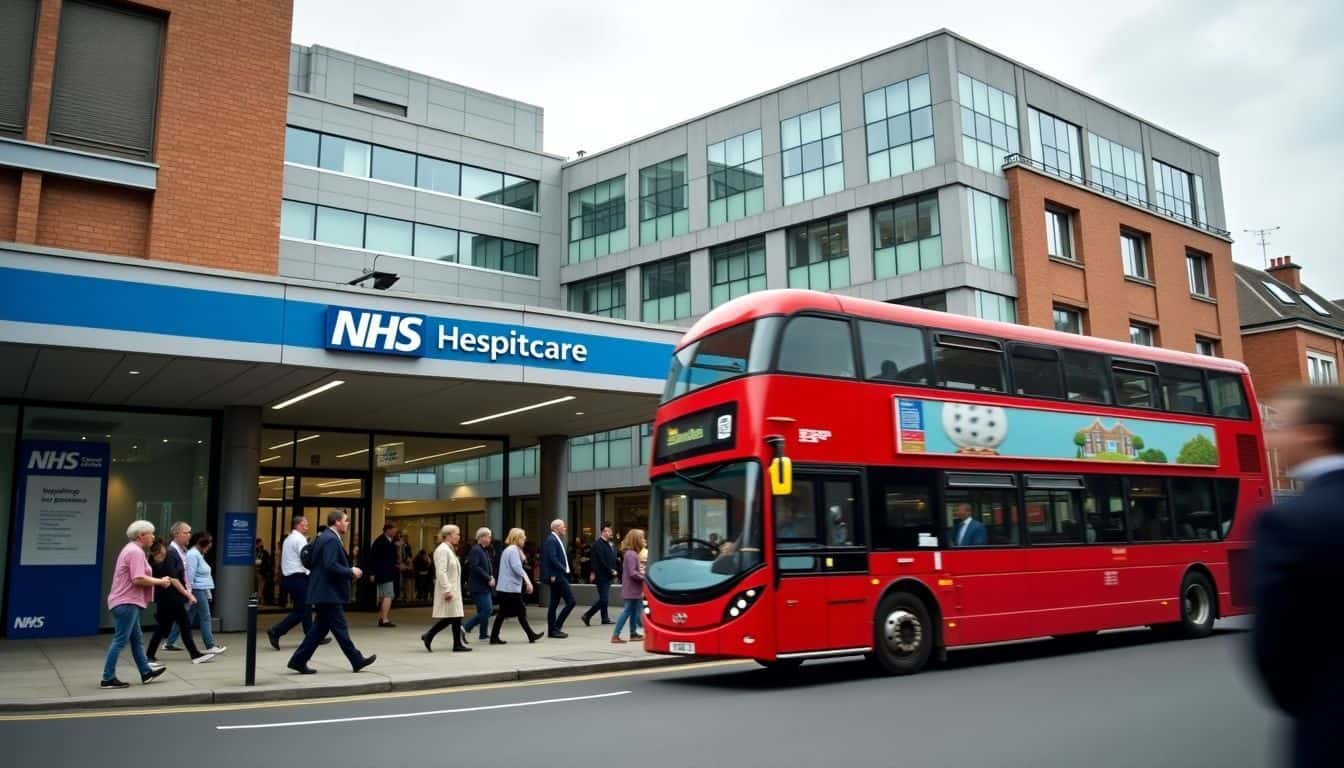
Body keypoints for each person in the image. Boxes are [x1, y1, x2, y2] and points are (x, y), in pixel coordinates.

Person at [1252, 385, 1344, 767]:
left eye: (1283, 426)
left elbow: (1275, 647)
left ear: (1315, 433)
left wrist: (1312, 702)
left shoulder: (1289, 521)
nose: (1272, 439)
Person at [288, 510, 376, 674]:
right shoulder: (330, 540)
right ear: (337, 522)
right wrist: (351, 572)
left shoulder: (326, 537)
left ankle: (298, 661)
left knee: (319, 630)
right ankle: (356, 660)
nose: (348, 523)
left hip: (324, 592)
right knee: (340, 628)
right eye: (346, 520)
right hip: (328, 593)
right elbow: (330, 565)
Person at [101, 520, 171, 688]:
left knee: (137, 639)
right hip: (127, 602)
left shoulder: (131, 550)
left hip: (125, 602)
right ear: (141, 536)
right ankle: (107, 678)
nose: (153, 537)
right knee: (120, 640)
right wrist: (160, 581)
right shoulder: (135, 552)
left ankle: (146, 672)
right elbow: (138, 578)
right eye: (151, 534)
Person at [145, 529, 216, 665]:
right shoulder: (170, 554)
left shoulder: (157, 558)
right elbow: (174, 579)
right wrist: (188, 594)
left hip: (164, 597)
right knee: (183, 624)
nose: (189, 535)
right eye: (186, 532)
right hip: (172, 597)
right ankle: (194, 655)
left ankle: (150, 655)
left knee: (166, 626)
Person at [267, 515, 329, 650]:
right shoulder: (300, 539)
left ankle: (312, 636)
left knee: (305, 608)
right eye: (305, 524)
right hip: (298, 577)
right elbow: (306, 558)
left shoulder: (288, 539)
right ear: (298, 525)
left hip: (289, 577)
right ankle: (276, 631)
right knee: (302, 610)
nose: (307, 526)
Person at [164, 531, 226, 654]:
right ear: (203, 543)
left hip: (199, 589)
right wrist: (189, 593)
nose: (211, 545)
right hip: (197, 590)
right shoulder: (193, 554)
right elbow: (190, 576)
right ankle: (210, 645)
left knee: (186, 617)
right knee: (205, 616)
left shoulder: (197, 554)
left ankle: (169, 642)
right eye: (209, 542)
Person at [421, 525, 471, 652]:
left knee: (455, 616)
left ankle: (454, 643)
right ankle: (432, 636)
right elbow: (441, 572)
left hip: (453, 587)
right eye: (457, 534)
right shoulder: (443, 550)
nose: (459, 536)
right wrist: (447, 589)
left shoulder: (450, 549)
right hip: (449, 588)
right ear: (448, 535)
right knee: (453, 616)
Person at [490, 528, 543, 644]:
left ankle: (494, 636)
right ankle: (530, 635)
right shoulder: (513, 550)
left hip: (506, 587)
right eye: (523, 537)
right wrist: (528, 581)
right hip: (510, 588)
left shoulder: (509, 550)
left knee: (505, 613)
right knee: (519, 611)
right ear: (517, 538)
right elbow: (517, 567)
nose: (524, 540)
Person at [541, 518, 576, 638]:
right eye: (563, 526)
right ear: (556, 528)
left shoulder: (555, 539)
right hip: (557, 575)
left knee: (554, 604)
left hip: (557, 575)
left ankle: (553, 630)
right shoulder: (551, 540)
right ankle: (556, 627)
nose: (565, 528)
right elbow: (551, 558)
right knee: (571, 602)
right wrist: (560, 570)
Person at [611, 529, 646, 643]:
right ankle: (615, 635)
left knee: (633, 611)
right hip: (632, 588)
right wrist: (644, 577)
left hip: (633, 588)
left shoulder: (631, 553)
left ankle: (633, 634)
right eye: (641, 538)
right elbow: (632, 573)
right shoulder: (631, 554)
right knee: (627, 611)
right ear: (636, 540)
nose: (643, 540)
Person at [461, 527, 496, 642]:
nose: (490, 538)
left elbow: (486, 566)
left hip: (484, 584)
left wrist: (491, 577)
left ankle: (483, 634)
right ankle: (466, 627)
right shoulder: (476, 549)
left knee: (483, 610)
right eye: (488, 536)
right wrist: (488, 578)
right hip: (479, 585)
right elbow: (475, 567)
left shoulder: (483, 549)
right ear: (481, 537)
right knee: (488, 609)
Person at [582, 522, 618, 626]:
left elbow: (612, 558)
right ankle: (587, 615)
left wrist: (614, 569)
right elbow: (601, 561)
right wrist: (610, 570)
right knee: (604, 599)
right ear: (604, 532)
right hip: (602, 575)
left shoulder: (609, 543)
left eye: (610, 531)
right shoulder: (597, 545)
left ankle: (605, 618)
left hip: (608, 574)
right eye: (609, 531)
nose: (611, 532)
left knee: (604, 598)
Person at [369, 523, 399, 627]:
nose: (395, 532)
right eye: (394, 530)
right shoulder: (382, 542)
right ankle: (385, 619)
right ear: (388, 530)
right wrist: (372, 572)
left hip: (383, 572)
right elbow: (373, 558)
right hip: (385, 572)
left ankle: (382, 617)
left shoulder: (384, 541)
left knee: (383, 595)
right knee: (388, 595)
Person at [254, 538, 274, 605]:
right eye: (261, 543)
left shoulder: (261, 552)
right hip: (260, 571)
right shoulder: (260, 552)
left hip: (260, 571)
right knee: (259, 587)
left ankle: (259, 599)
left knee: (260, 586)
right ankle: (259, 599)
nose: (262, 544)